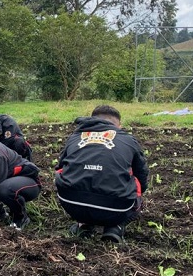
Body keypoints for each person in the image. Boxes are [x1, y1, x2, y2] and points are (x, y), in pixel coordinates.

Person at [54, 104, 149, 243]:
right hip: (117, 208)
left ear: (92, 120)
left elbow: (60, 167)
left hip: (71, 204)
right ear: (119, 125)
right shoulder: (128, 140)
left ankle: (83, 224)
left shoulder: (75, 137)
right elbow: (142, 175)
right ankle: (115, 227)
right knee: (136, 182)